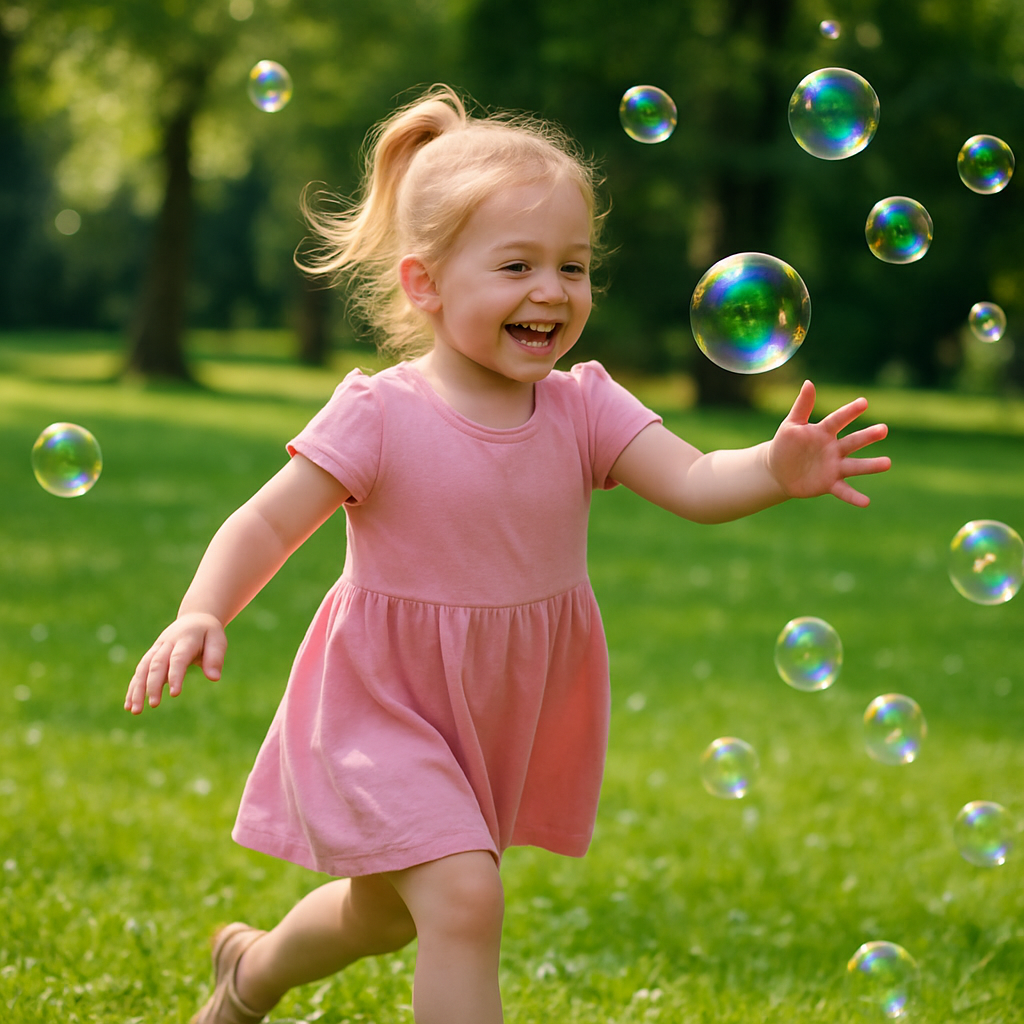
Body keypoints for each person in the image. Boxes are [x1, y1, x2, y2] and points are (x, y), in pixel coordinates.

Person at [124, 84, 891, 1024]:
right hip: (385, 701)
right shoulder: (381, 413)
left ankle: (250, 974)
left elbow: (694, 483)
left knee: (385, 914)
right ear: (426, 283)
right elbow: (268, 523)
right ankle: (255, 975)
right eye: (517, 264)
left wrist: (772, 468)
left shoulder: (584, 406)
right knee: (463, 897)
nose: (552, 291)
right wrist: (203, 608)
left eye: (573, 266)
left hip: (490, 708)